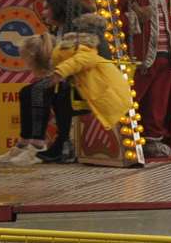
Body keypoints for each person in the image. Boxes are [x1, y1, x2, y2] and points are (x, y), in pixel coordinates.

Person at [0, 0, 89, 166]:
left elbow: (84, 58)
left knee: (40, 90)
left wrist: (59, 73)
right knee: (26, 91)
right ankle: (25, 142)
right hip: (67, 79)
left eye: (47, 8)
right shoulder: (60, 28)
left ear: (58, 8)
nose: (44, 12)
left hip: (84, 82)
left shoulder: (81, 28)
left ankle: (38, 143)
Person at [40, 15, 139, 162]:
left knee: (60, 101)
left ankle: (61, 144)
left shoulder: (87, 43)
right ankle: (62, 143)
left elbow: (84, 59)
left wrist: (60, 72)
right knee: (57, 98)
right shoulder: (95, 41)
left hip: (103, 91)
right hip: (101, 88)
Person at [120, 0, 171, 158]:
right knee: (136, 98)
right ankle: (128, 138)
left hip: (165, 53)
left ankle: (153, 139)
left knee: (159, 99)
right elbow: (116, 17)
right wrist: (136, 18)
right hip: (140, 55)